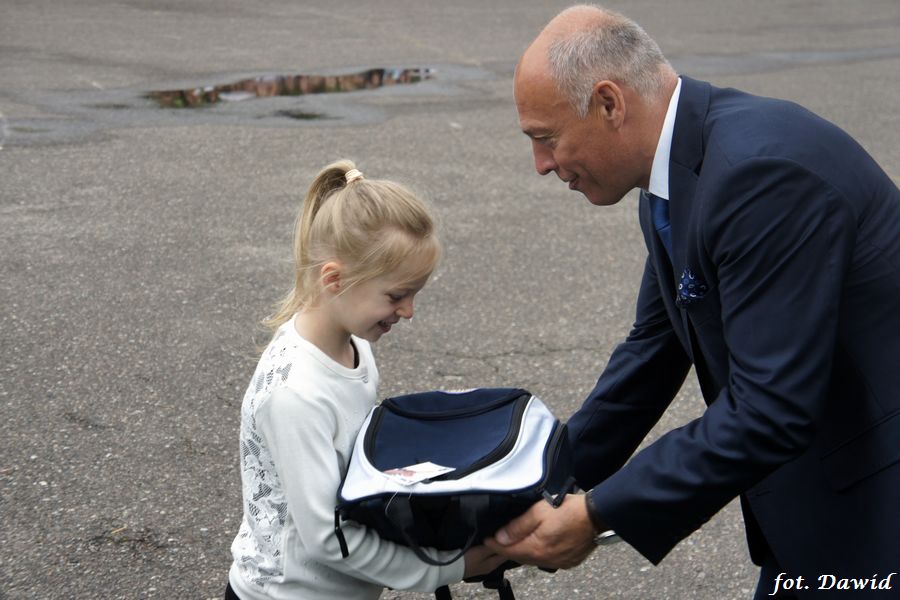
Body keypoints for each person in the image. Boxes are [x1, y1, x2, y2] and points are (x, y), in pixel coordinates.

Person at [486, 4, 900, 598]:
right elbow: (652, 353)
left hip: (875, 509)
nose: (541, 165)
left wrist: (596, 514)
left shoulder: (758, 178)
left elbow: (769, 409)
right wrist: (534, 487)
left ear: (609, 104)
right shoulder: (678, 171)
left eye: (546, 138)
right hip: (821, 502)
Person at [226, 160, 504, 600]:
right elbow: (327, 537)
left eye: (415, 294)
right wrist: (448, 566)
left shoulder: (355, 346)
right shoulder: (295, 394)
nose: (409, 311)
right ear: (334, 279)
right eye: (397, 295)